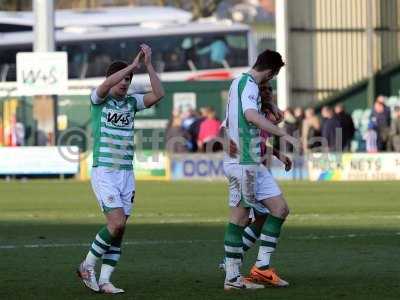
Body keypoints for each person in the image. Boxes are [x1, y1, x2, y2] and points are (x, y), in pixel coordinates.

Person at [77, 44, 165, 294]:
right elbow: (105, 86)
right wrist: (131, 65)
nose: (125, 83)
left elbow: (159, 94)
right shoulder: (99, 100)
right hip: (105, 170)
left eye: (129, 79)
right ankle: (87, 266)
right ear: (112, 79)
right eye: (122, 79)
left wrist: (147, 66)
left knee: (120, 229)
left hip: (127, 172)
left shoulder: (131, 103)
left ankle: (105, 280)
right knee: (115, 224)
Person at [221, 49, 298, 290]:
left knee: (279, 209)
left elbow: (235, 119)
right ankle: (232, 278)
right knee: (241, 217)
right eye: (273, 76)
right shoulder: (251, 85)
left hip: (252, 161)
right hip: (244, 163)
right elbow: (251, 115)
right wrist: (282, 133)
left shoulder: (238, 83)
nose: (270, 81)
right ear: (271, 71)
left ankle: (261, 268)